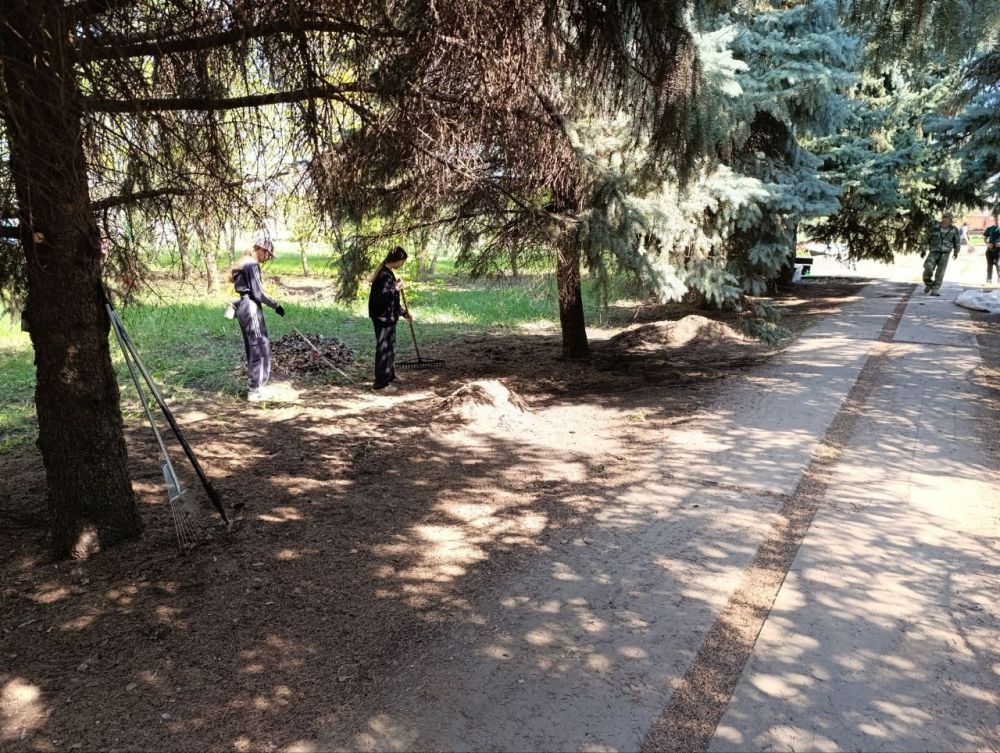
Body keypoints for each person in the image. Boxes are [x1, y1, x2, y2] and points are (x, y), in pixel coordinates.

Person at [232, 236, 284, 401]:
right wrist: (276, 305)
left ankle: (256, 387)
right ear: (261, 250)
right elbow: (259, 293)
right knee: (260, 346)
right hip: (251, 307)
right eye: (268, 254)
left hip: (244, 306)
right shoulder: (252, 264)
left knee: (254, 346)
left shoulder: (245, 262)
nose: (268, 258)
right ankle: (255, 389)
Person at [368, 246, 411, 392]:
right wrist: (396, 288)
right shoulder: (383, 275)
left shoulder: (389, 273)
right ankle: (380, 384)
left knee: (390, 347)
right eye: (402, 261)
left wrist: (404, 313)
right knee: (383, 348)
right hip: (382, 318)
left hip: (389, 317)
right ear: (397, 259)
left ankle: (389, 376)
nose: (402, 264)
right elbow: (382, 299)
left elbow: (392, 301)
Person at [921, 212, 961, 296]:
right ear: (942, 219)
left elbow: (957, 241)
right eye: (945, 218)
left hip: (945, 253)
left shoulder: (954, 229)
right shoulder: (935, 227)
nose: (947, 220)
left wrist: (956, 251)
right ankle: (929, 283)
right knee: (928, 268)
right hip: (934, 251)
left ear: (950, 220)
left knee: (940, 271)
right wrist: (923, 249)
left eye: (949, 219)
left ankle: (935, 288)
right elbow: (926, 237)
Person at [984, 213, 1000, 285]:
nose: (997, 221)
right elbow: (985, 238)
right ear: (994, 220)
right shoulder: (990, 229)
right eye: (996, 219)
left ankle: (999, 279)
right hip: (990, 250)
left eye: (999, 219)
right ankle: (989, 279)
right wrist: (987, 244)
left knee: (998, 264)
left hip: (999, 250)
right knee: (989, 265)